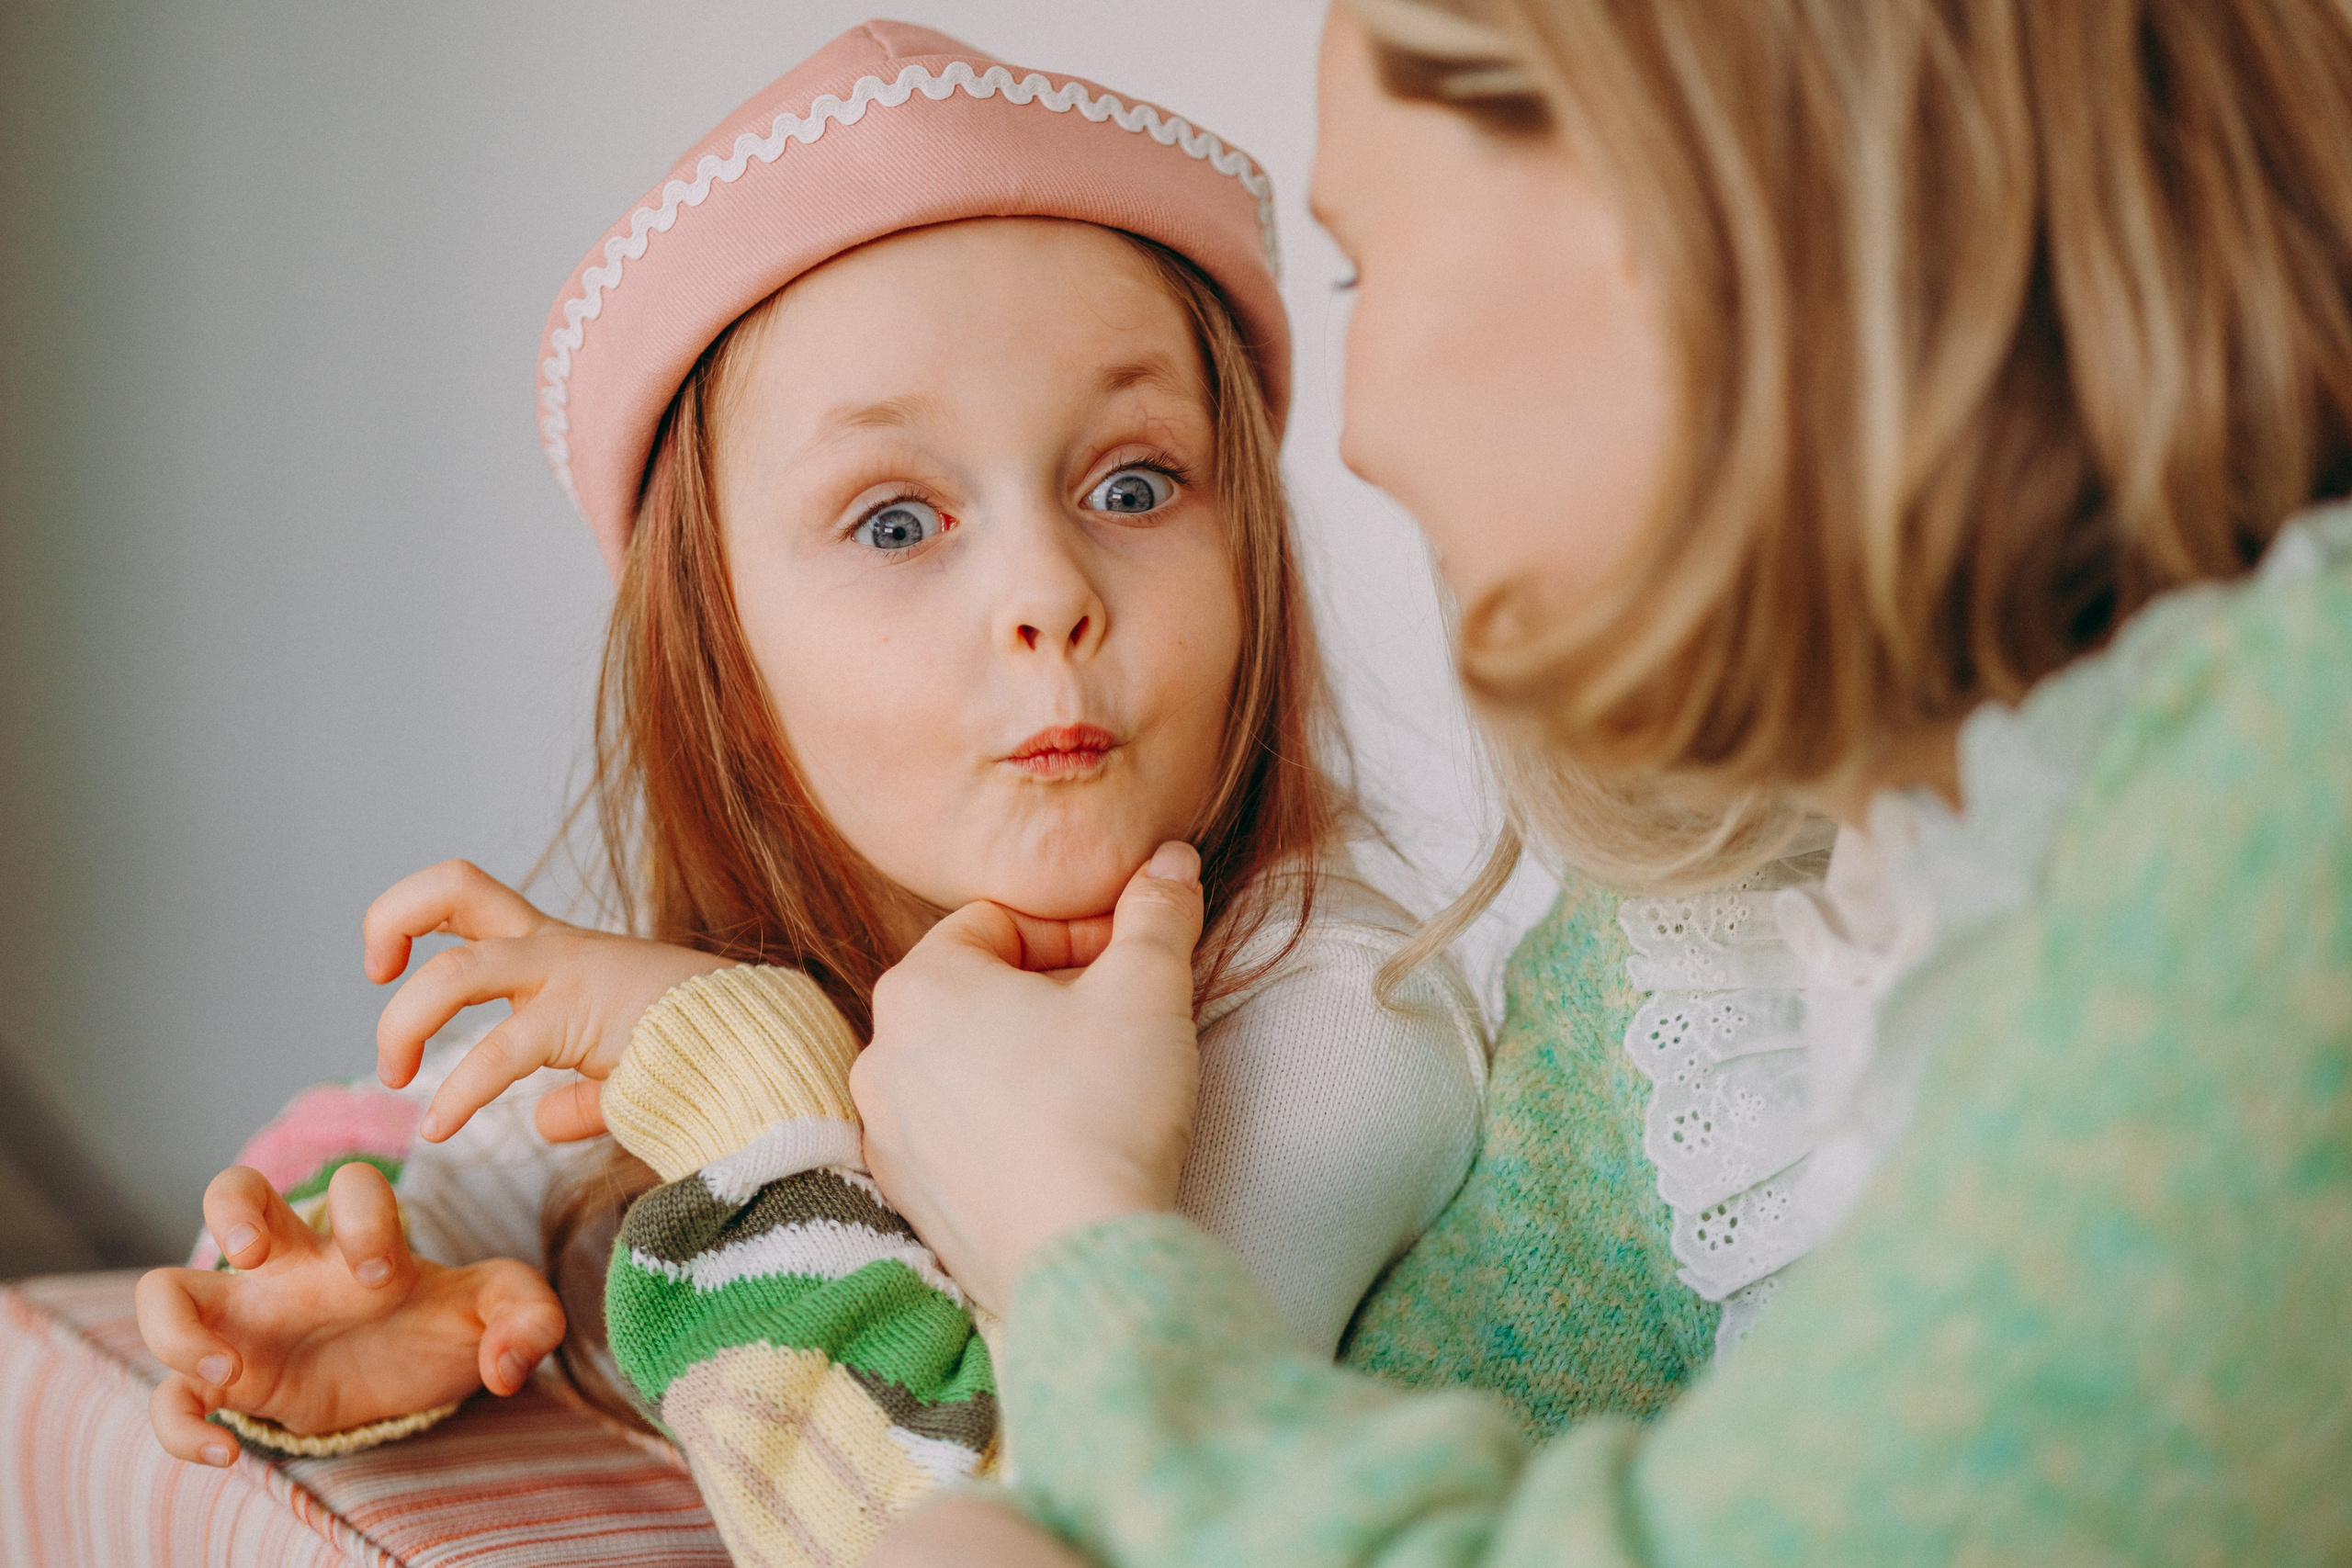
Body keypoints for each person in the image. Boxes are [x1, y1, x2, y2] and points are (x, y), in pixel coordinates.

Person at [849, 2, 2352, 1562]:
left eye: (1369, 266)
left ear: (1704, 209)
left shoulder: (2304, 802)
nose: (1356, 442)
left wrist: (1070, 1222)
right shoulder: (1689, 978)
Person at [131, 22, 1489, 1566]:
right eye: (899, 521)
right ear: (721, 654)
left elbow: (1021, 1508)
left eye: (1132, 483)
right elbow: (428, 1180)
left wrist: (741, 1086)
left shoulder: (1342, 1010)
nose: (1049, 588)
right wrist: (352, 1297)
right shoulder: (780, 961)